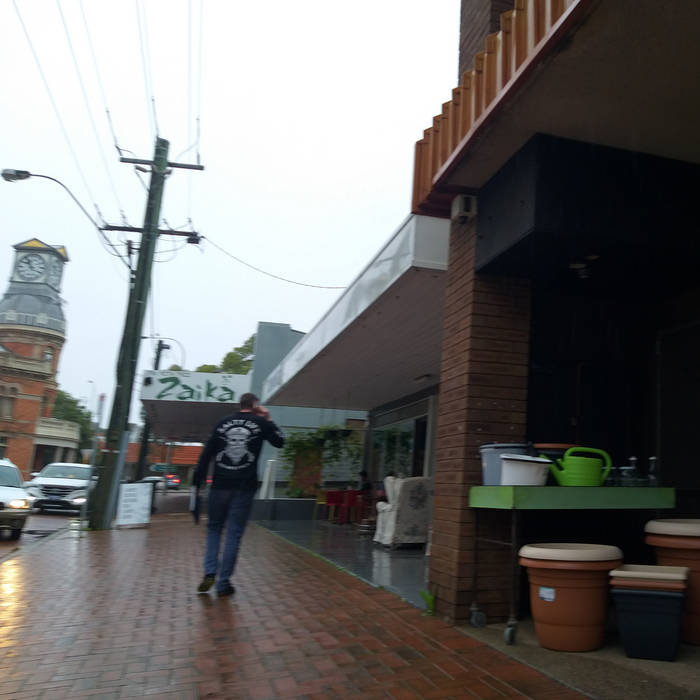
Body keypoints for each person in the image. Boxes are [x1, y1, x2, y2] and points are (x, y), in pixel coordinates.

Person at [192, 392, 284, 596]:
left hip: (219, 485)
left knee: (214, 529)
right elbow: (280, 441)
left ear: (239, 404)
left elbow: (207, 453)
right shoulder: (261, 423)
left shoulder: (222, 423)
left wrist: (197, 481)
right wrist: (268, 418)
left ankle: (209, 572)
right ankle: (223, 583)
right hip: (244, 486)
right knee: (233, 532)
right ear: (255, 405)